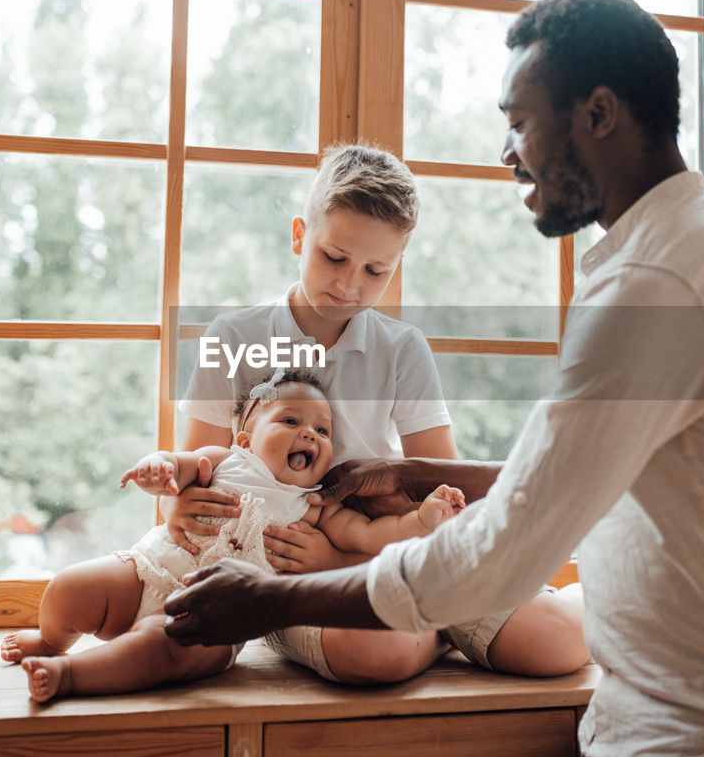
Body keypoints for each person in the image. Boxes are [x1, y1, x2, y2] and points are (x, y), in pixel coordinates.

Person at [162, 0, 704, 757]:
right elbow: (584, 482)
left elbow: (509, 542)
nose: (507, 153)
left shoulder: (654, 283)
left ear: (598, 114)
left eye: (518, 121)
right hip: (701, 727)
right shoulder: (700, 246)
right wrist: (414, 473)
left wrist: (269, 600)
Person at [169, 142, 588, 683]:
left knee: (554, 642)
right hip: (285, 564)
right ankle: (433, 626)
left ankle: (523, 603)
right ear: (300, 235)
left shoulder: (402, 348)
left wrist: (363, 561)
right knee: (378, 653)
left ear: (398, 265)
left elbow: (444, 498)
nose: (349, 285)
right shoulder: (230, 336)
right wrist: (184, 513)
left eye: (375, 270)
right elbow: (196, 474)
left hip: (400, 545)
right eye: (333, 258)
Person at [0, 370, 465, 702]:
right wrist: (159, 468)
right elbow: (180, 465)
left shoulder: (317, 505)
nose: (310, 435)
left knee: (157, 647)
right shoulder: (224, 459)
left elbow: (370, 533)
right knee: (69, 589)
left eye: (323, 430)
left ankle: (70, 675)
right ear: (245, 440)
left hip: (214, 620)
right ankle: (52, 642)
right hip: (145, 572)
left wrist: (423, 520)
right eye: (291, 421)